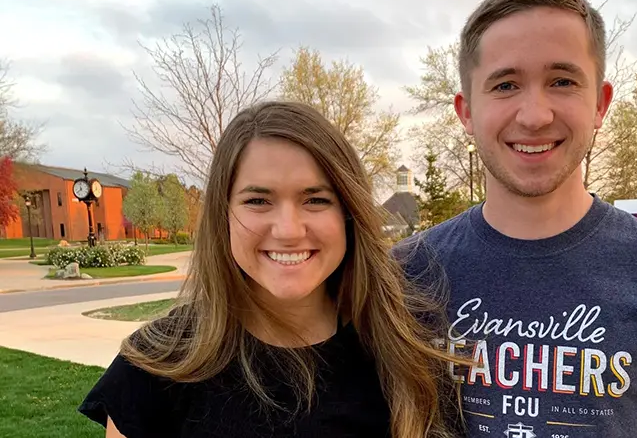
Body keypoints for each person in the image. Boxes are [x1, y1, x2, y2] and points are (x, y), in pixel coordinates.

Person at [393, 0, 637, 438]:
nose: (535, 115)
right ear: (466, 112)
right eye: (504, 85)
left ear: (600, 103)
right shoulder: (403, 277)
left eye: (561, 81)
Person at [79, 101, 465, 438]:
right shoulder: (157, 364)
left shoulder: (405, 352)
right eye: (258, 200)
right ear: (223, 215)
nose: (288, 230)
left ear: (348, 214)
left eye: (315, 199)